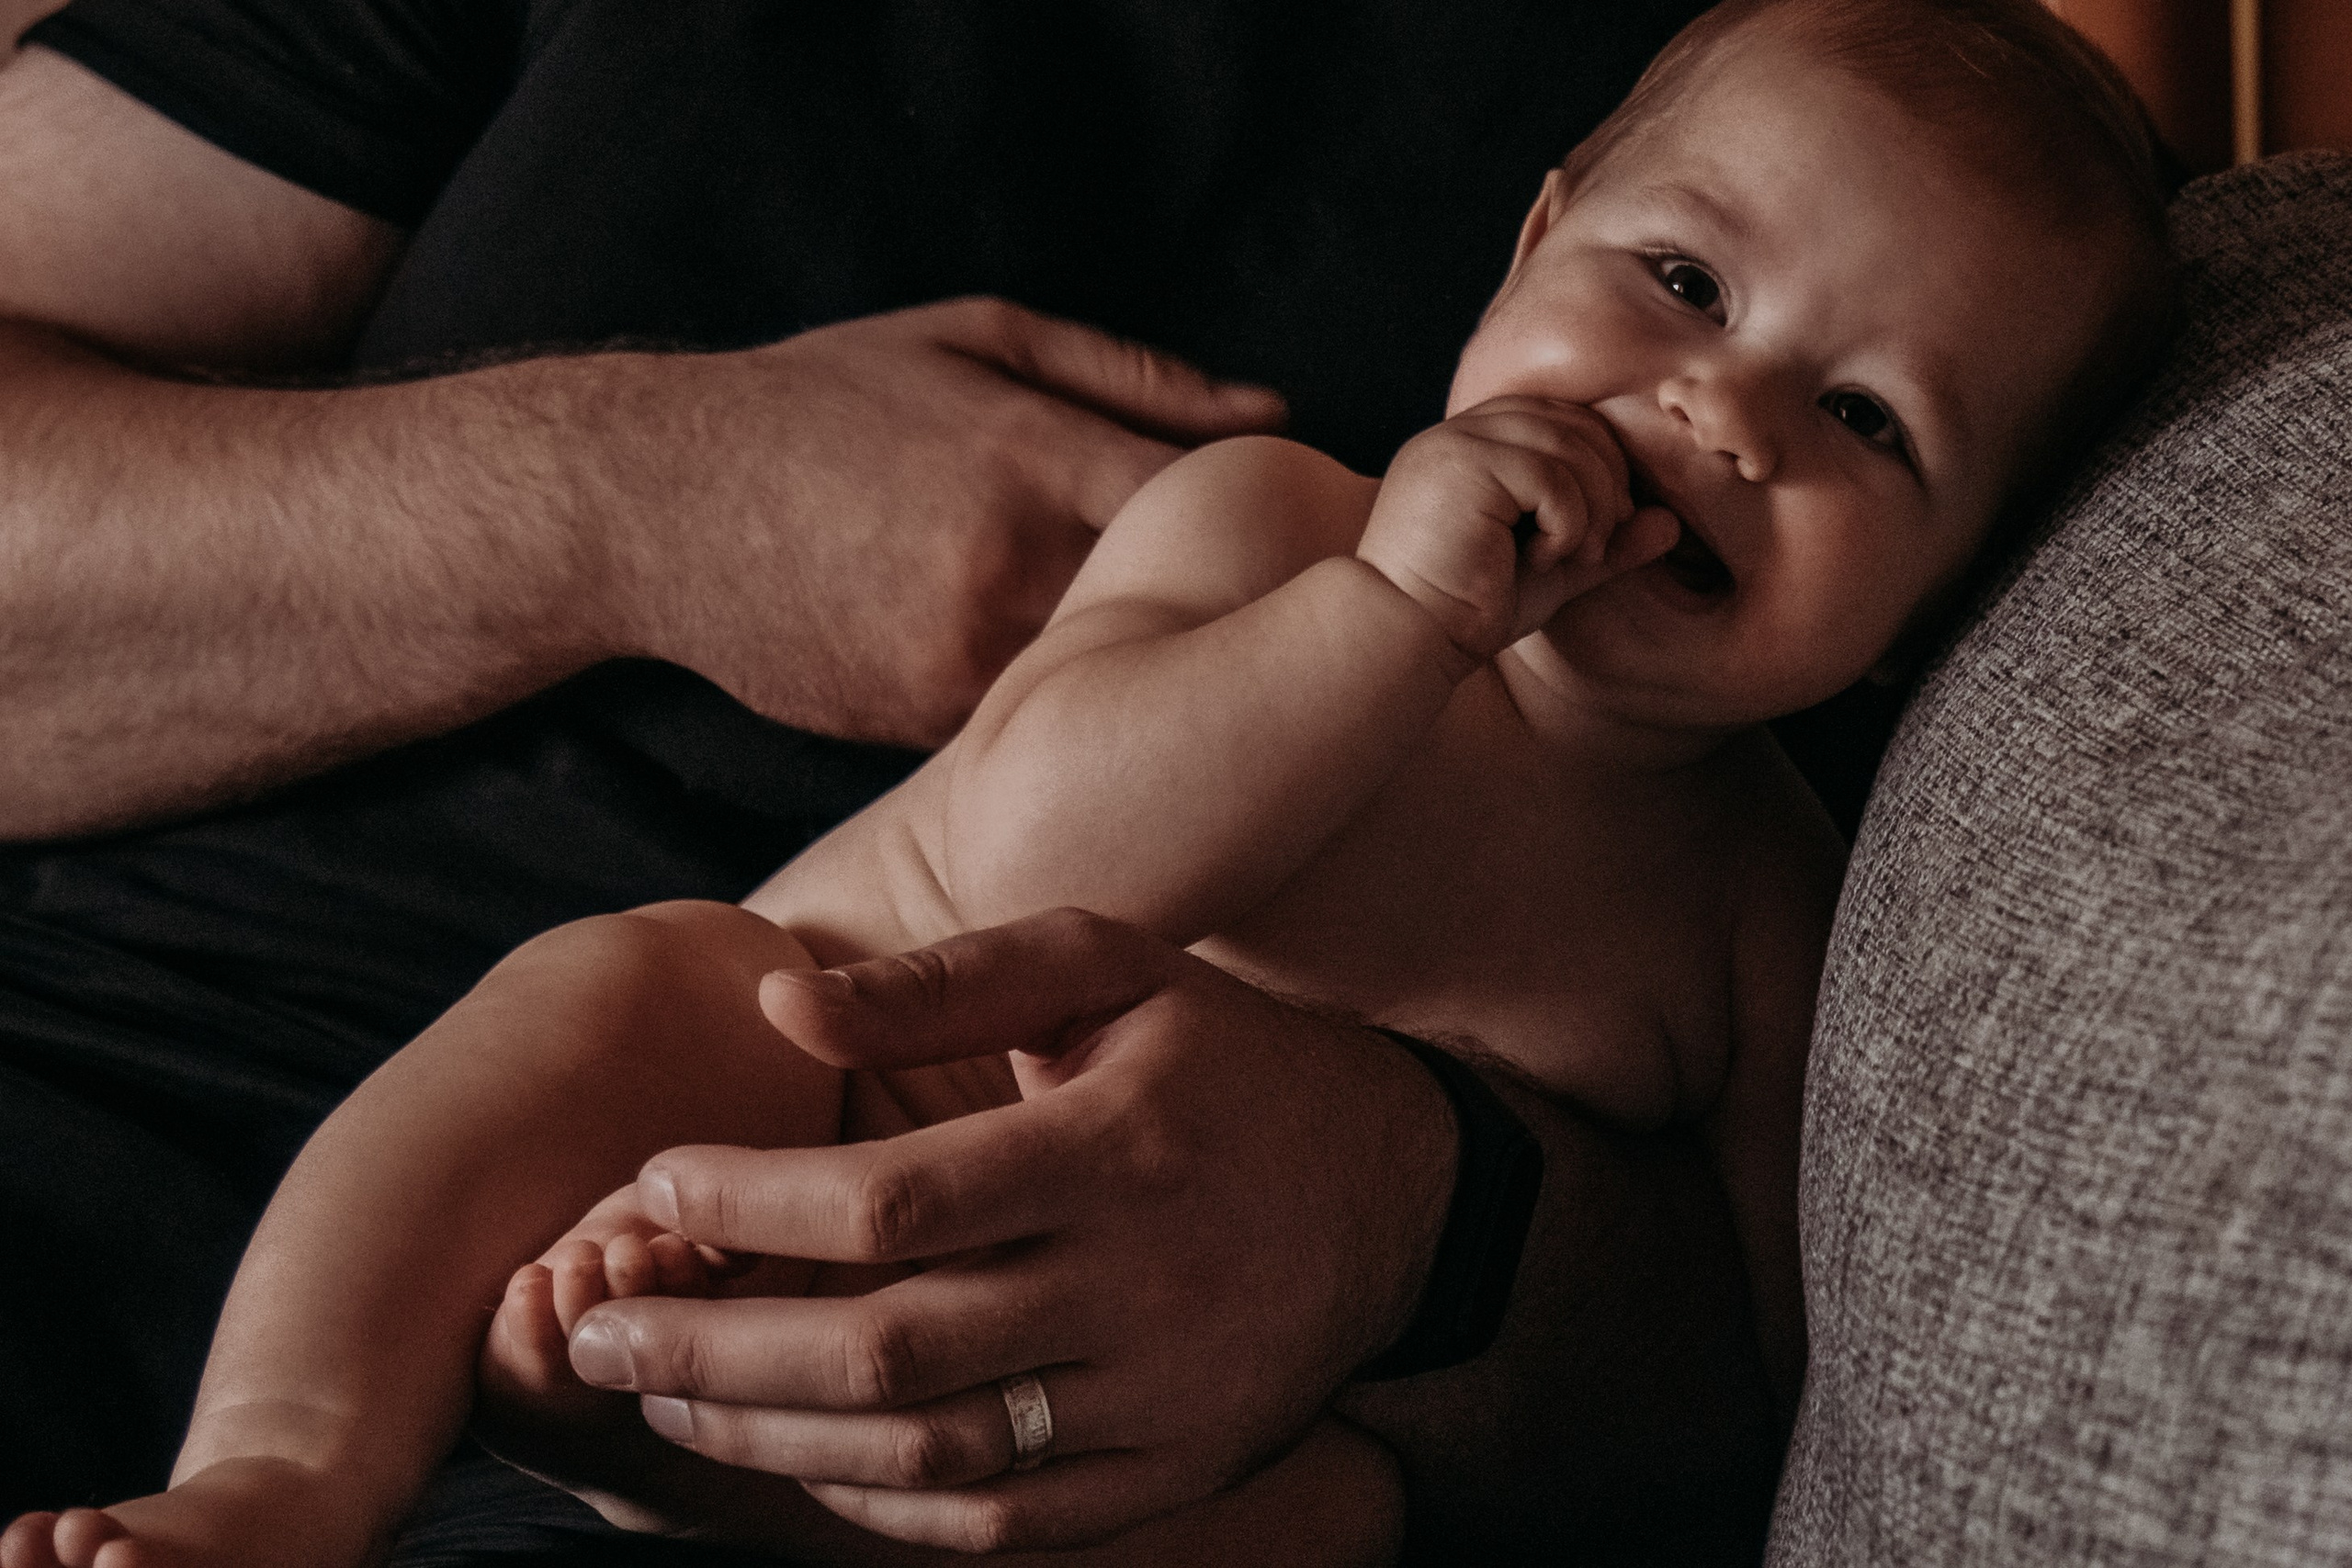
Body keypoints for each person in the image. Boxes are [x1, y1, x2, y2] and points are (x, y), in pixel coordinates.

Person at [2, 2, 2177, 1563]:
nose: (1718, 413)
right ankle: (285, 1463)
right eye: (1679, 284)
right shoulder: (1275, 529)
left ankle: (684, 1457)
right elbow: (1041, 864)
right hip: (784, 1068)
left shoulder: (1758, 905)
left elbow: (1774, 1376)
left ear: (1936, 602)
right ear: (1524, 255)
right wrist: (1394, 618)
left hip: (1117, 1406)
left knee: (1332, 1516)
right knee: (616, 987)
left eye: (1865, 425)